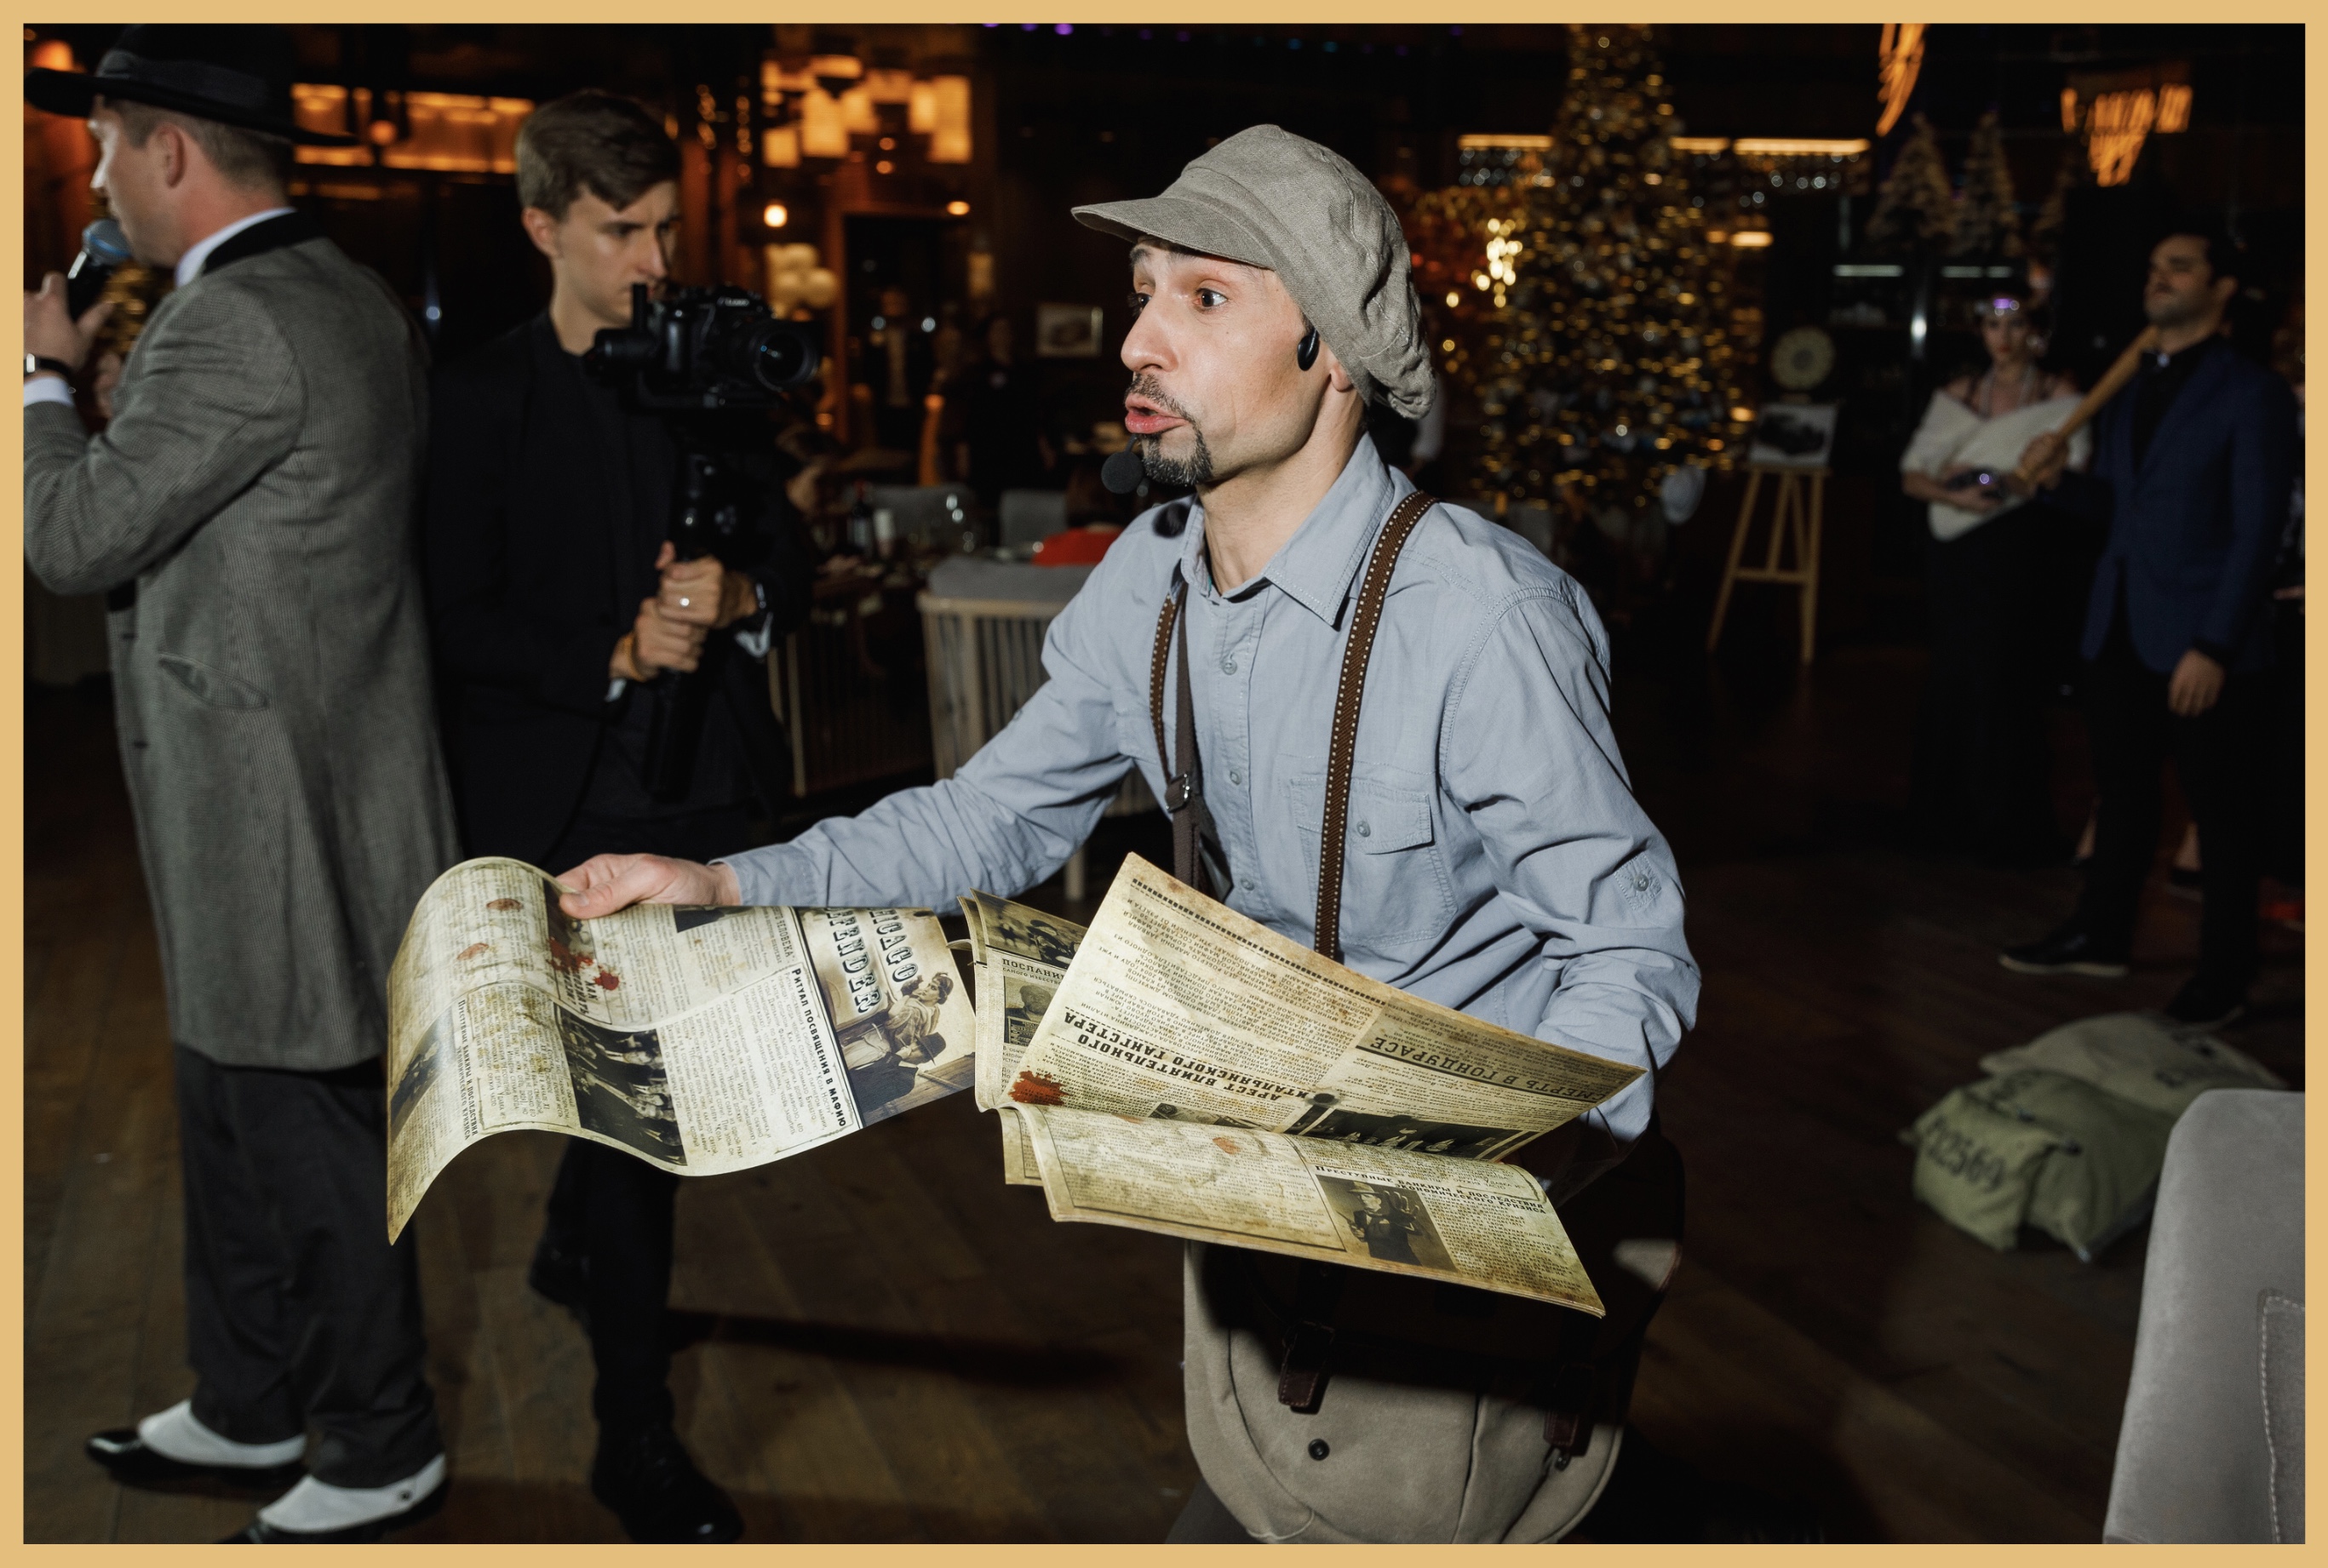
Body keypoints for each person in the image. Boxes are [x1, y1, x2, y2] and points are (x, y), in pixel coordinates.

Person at [553, 123, 1698, 1545]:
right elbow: (986, 814)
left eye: (1203, 297)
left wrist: (1526, 1160)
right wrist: (726, 881)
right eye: (1143, 290)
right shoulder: (1145, 582)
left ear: (1332, 356)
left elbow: (1625, 950)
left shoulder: (1482, 618)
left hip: (1461, 1279)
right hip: (1260, 1227)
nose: (1138, 341)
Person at [21, 26, 456, 1543]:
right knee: (228, 1100)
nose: (96, 181)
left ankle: (382, 1439)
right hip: (289, 785)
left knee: (295, 1126)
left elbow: (70, 541)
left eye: (103, 149)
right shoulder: (340, 292)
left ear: (170, 152)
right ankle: (250, 1395)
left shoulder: (236, 322)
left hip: (277, 809)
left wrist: (40, 378)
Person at [420, 89, 811, 1544]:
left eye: (665, 229)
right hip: (569, 792)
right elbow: (452, 618)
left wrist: (744, 591)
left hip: (710, 786)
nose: (654, 261)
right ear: (541, 226)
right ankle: (628, 1434)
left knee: (651, 1090)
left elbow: (792, 557)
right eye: (620, 232)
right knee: (648, 1107)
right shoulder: (476, 394)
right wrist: (613, 648)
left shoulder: (707, 367)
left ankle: (575, 1243)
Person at [2005, 224, 2299, 1027]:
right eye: (2153, 266)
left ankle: (2223, 977)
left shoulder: (2254, 391)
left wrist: (2215, 644)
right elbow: (2121, 509)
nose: (2158, 278)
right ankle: (2100, 936)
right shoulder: (2133, 385)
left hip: (2205, 641)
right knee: (2123, 798)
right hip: (2122, 626)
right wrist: (2057, 484)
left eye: (2179, 266)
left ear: (2223, 287)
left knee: (2224, 818)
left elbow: (2259, 529)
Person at [1898, 289, 2090, 863]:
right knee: (1954, 671)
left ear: (2035, 332)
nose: (2003, 337)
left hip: (2015, 548)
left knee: (2006, 674)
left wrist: (2007, 484)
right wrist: (1956, 492)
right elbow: (1912, 473)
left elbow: (2070, 472)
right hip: (1954, 548)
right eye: (1992, 325)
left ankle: (2005, 818)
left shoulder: (2058, 396)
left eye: (2015, 324)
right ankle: (1943, 814)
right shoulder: (1961, 393)